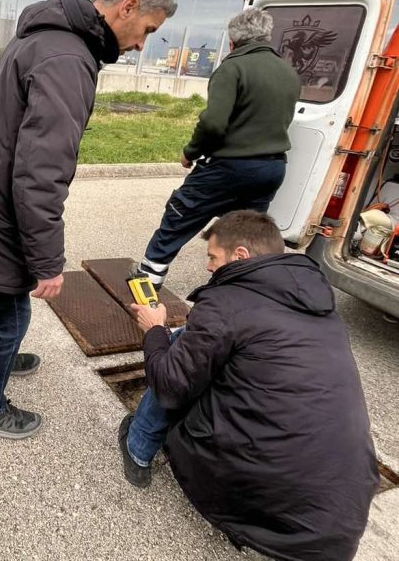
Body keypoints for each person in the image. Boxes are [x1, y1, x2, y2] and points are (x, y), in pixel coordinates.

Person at [0, 0, 177, 439]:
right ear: (128, 6)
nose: (140, 45)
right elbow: (40, 174)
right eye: (147, 30)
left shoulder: (47, 34)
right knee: (13, 316)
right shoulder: (68, 58)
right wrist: (47, 263)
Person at [119, 210, 379, 561]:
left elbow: (169, 386)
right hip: (342, 516)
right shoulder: (319, 303)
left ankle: (137, 448)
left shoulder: (226, 302)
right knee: (198, 344)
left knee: (174, 346)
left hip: (265, 501)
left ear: (240, 255)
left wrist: (154, 330)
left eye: (213, 257)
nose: (208, 266)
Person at [138, 8, 301, 289]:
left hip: (229, 166)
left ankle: (147, 281)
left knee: (179, 216)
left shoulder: (233, 67)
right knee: (249, 235)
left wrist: (190, 152)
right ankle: (241, 291)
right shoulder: (288, 72)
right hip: (272, 169)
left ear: (232, 41)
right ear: (266, 37)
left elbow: (213, 123)